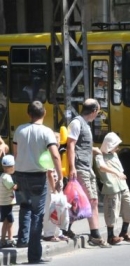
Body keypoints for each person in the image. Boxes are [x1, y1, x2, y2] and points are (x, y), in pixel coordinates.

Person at [13, 100, 64, 264]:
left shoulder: (19, 130)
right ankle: (34, 255)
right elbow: (55, 155)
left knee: (25, 208)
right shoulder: (46, 132)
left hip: (20, 175)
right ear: (45, 113)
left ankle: (22, 239)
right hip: (37, 177)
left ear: (28, 113)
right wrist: (60, 176)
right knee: (37, 214)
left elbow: (16, 154)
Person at [65, 98, 110, 248]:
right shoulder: (76, 123)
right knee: (90, 201)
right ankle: (95, 235)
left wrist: (92, 150)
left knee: (86, 201)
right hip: (80, 167)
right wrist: (72, 167)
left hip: (87, 167)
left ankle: (65, 228)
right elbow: (70, 145)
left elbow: (80, 144)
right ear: (94, 111)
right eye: (98, 111)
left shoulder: (85, 124)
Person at [95, 132, 130, 245]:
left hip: (123, 186)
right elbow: (102, 167)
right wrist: (116, 173)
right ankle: (110, 236)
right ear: (109, 145)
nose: (117, 148)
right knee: (112, 212)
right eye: (115, 145)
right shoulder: (100, 156)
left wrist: (119, 174)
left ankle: (124, 232)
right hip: (112, 188)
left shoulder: (114, 155)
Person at [42, 132, 69, 242]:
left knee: (60, 208)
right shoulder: (49, 154)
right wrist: (53, 189)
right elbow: (49, 173)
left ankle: (58, 232)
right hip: (51, 187)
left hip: (57, 186)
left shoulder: (56, 153)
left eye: (58, 139)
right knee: (51, 209)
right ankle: (49, 233)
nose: (58, 142)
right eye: (56, 139)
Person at [0, 154, 17, 248]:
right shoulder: (6, 177)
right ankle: (10, 239)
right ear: (10, 167)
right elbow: (12, 187)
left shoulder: (3, 176)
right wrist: (20, 185)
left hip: (4, 203)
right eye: (14, 166)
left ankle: (3, 240)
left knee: (6, 222)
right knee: (10, 222)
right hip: (7, 203)